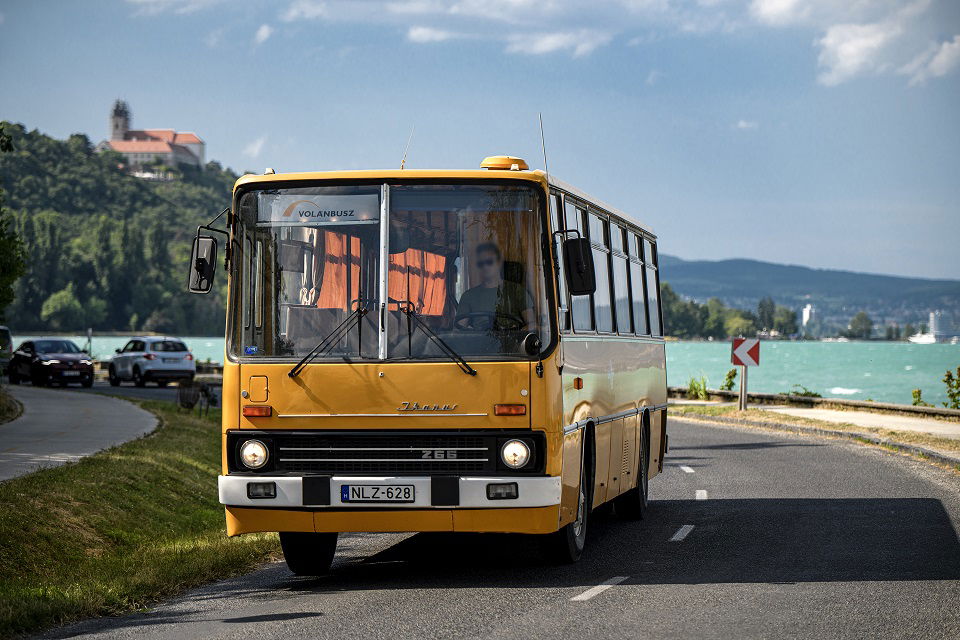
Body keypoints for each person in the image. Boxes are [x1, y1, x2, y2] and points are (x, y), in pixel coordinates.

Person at [456, 242, 535, 331]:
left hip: (511, 341)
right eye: (481, 264)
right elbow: (460, 328)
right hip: (479, 342)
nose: (485, 267)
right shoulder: (468, 296)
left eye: (489, 262)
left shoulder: (517, 290)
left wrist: (517, 334)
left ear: (499, 263)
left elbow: (532, 324)